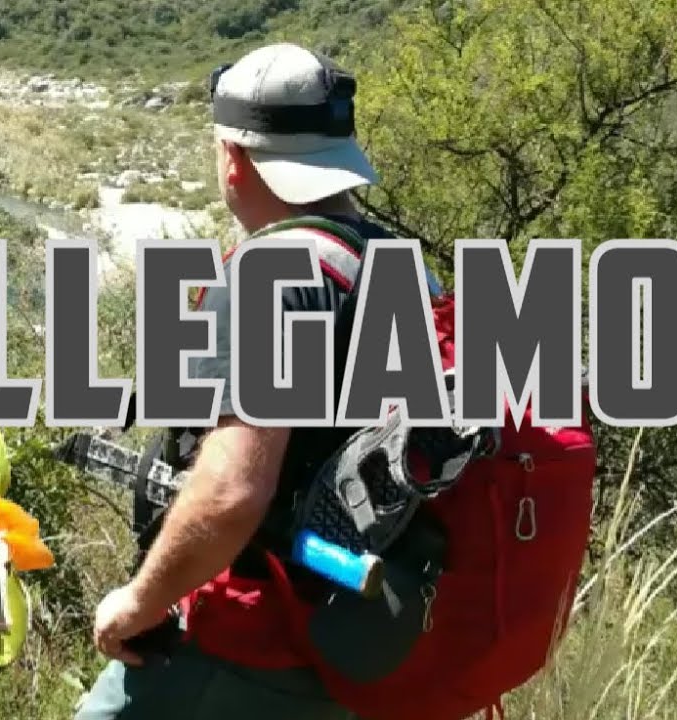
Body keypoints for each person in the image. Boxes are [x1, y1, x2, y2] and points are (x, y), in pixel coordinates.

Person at [74, 42, 442, 720]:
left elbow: (231, 493)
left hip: (248, 645)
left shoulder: (267, 280)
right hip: (362, 645)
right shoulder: (408, 269)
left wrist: (137, 603)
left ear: (234, 158)